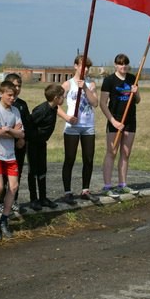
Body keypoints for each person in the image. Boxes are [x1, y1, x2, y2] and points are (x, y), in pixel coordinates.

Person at [0, 80, 24, 240]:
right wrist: (10, 130)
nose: (12, 98)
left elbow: (21, 134)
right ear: (1, 93)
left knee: (13, 187)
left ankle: (4, 219)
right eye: (9, 95)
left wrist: (7, 130)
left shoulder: (15, 111)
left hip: (10, 155)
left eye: (14, 95)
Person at [59, 54, 99, 205]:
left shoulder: (92, 84)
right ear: (75, 66)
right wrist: (66, 117)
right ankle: (68, 192)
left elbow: (95, 103)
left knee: (88, 159)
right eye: (83, 66)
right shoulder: (67, 85)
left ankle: (85, 190)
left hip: (88, 126)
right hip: (72, 127)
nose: (86, 69)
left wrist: (86, 88)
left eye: (88, 67)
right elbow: (55, 104)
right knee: (70, 159)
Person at [100, 53, 140, 198]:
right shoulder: (109, 80)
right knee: (112, 152)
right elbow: (102, 103)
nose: (123, 66)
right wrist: (113, 121)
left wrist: (135, 93)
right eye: (120, 64)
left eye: (125, 64)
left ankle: (123, 184)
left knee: (126, 153)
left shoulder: (132, 78)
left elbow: (138, 100)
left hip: (130, 120)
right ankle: (107, 185)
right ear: (116, 65)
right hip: (115, 120)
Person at [0, 73, 30, 217]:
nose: (17, 88)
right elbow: (1, 127)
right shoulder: (0, 104)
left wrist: (23, 139)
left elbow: (26, 124)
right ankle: (0, 202)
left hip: (20, 145)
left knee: (17, 175)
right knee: (3, 176)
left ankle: (13, 200)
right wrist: (15, 135)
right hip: (5, 146)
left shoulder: (22, 104)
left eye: (19, 86)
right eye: (14, 85)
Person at [27, 84, 65, 211]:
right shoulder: (41, 110)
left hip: (42, 143)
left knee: (43, 170)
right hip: (32, 144)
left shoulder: (54, 108)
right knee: (33, 171)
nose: (63, 98)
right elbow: (29, 124)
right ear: (55, 98)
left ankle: (43, 197)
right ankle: (34, 199)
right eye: (62, 96)